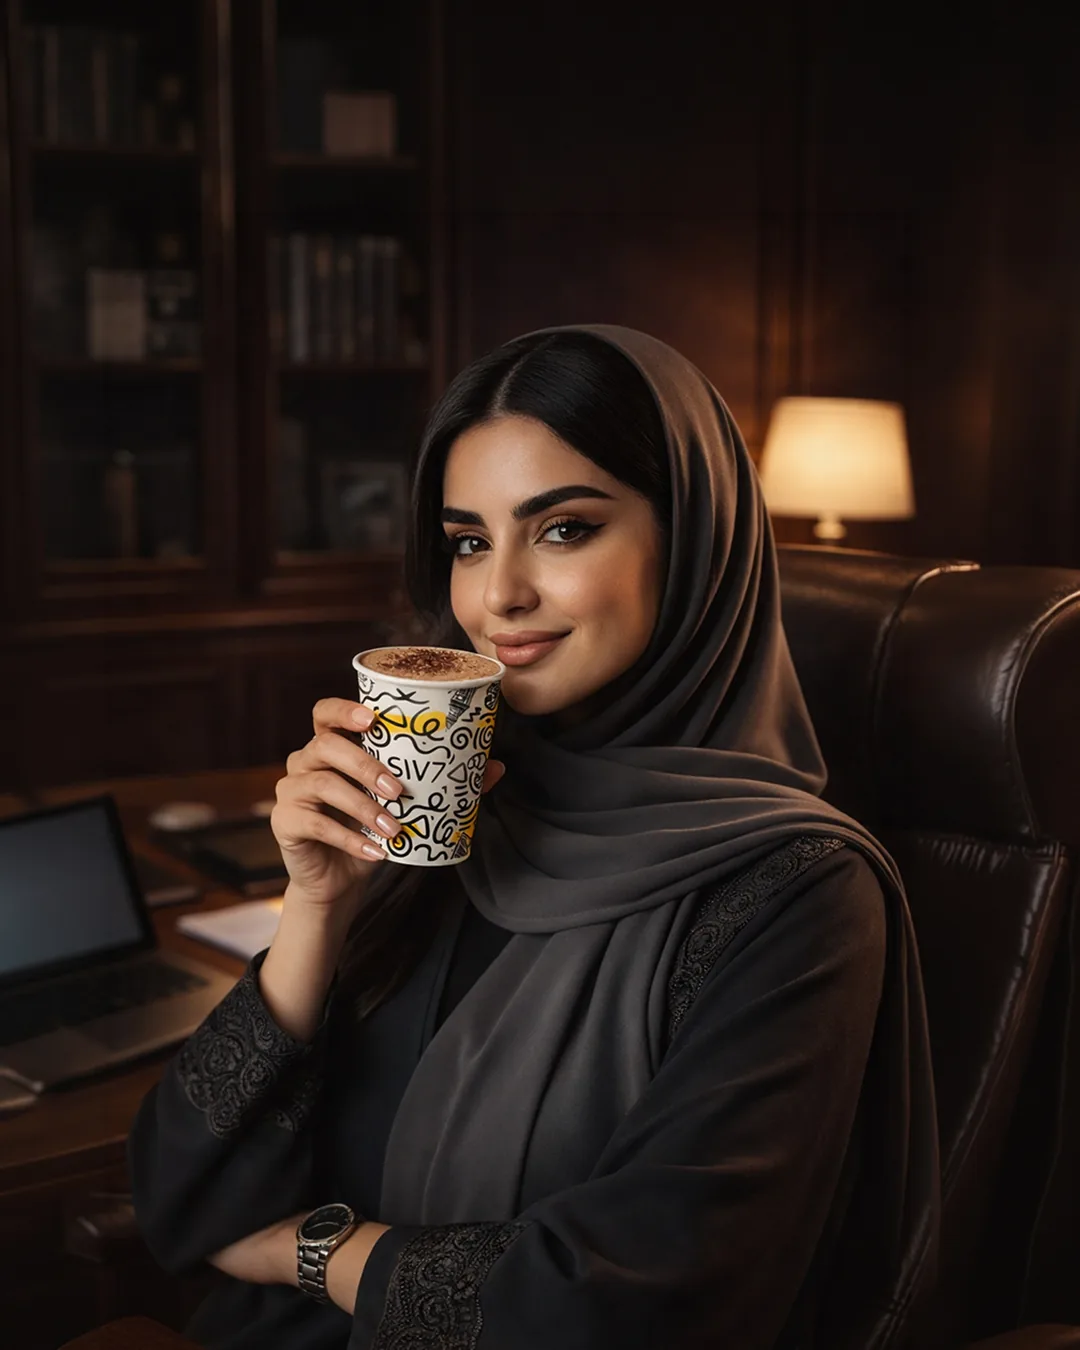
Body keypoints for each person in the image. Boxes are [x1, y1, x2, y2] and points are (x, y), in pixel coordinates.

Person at [129, 325, 940, 1350]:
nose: (498, 595)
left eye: (562, 529)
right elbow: (177, 1201)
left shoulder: (795, 893)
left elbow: (637, 1302)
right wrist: (319, 911)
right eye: (470, 541)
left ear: (690, 539)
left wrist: (314, 1253)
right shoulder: (454, 810)